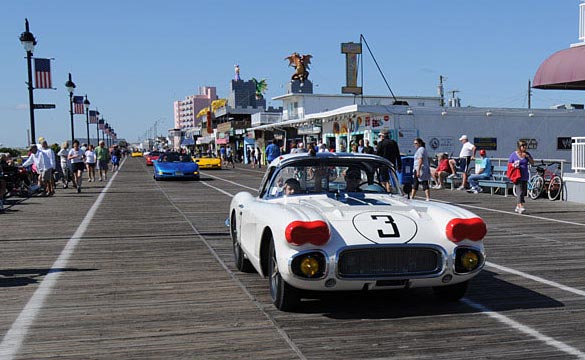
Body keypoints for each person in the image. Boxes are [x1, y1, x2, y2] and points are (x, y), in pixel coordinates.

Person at [509, 140, 534, 214]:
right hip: (517, 175)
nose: (525, 147)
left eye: (525, 145)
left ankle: (517, 206)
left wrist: (528, 157)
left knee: (523, 191)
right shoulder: (514, 154)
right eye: (523, 146)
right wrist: (514, 165)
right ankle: (521, 206)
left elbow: (532, 162)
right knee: (519, 191)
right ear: (519, 147)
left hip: (525, 175)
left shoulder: (527, 154)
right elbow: (510, 164)